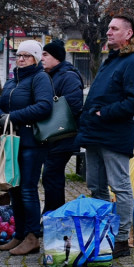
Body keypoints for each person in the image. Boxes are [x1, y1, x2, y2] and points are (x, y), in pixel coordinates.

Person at [78, 16, 134, 257]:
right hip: (96, 132)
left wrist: (104, 112)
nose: (108, 32)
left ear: (128, 34)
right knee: (96, 185)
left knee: (120, 186)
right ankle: (102, 232)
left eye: (114, 28)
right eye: (108, 28)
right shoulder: (112, 59)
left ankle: (120, 239)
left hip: (114, 134)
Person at [0, 40, 53, 256]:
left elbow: (44, 106)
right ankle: (19, 233)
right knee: (14, 189)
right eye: (19, 55)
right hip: (12, 140)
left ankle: (32, 236)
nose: (21, 59)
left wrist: (13, 117)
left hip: (31, 142)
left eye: (26, 56)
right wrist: (0, 117)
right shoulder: (12, 81)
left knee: (27, 189)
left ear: (35, 59)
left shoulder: (40, 78)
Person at [40, 41, 84, 215]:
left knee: (52, 176)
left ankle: (54, 216)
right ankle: (52, 215)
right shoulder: (50, 75)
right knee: (51, 177)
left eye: (46, 55)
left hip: (63, 135)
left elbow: (74, 104)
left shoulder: (68, 76)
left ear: (56, 58)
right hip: (51, 136)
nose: (41, 59)